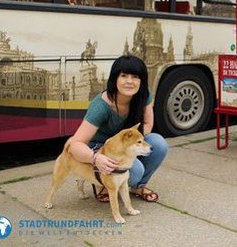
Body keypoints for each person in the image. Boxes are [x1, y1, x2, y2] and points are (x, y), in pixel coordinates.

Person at [69, 55, 168, 202]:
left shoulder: (143, 94)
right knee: (136, 171)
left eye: (135, 76)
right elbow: (74, 145)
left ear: (142, 80)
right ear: (115, 79)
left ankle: (138, 186)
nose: (129, 81)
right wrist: (96, 158)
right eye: (124, 76)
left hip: (126, 143)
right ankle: (103, 183)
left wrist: (130, 143)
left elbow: (147, 124)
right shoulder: (101, 106)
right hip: (102, 147)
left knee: (159, 144)